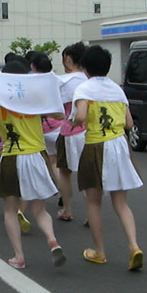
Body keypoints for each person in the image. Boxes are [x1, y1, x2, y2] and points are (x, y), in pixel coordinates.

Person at [0, 60, 66, 269]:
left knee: (10, 209)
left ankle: (19, 256)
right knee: (39, 209)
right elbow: (60, 114)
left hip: (12, 157)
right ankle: (52, 240)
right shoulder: (35, 97)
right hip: (36, 155)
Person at [70, 45, 144, 270]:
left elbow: (81, 116)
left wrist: (73, 121)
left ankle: (99, 251)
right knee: (121, 203)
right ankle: (134, 246)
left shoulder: (84, 89)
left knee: (93, 202)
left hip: (96, 146)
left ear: (85, 68)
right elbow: (129, 123)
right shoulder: (117, 90)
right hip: (119, 145)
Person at [55, 42, 88, 222]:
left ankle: (67, 210)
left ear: (68, 58)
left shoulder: (65, 82)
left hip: (70, 130)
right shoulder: (88, 80)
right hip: (88, 132)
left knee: (65, 173)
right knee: (86, 174)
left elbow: (59, 109)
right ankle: (92, 212)